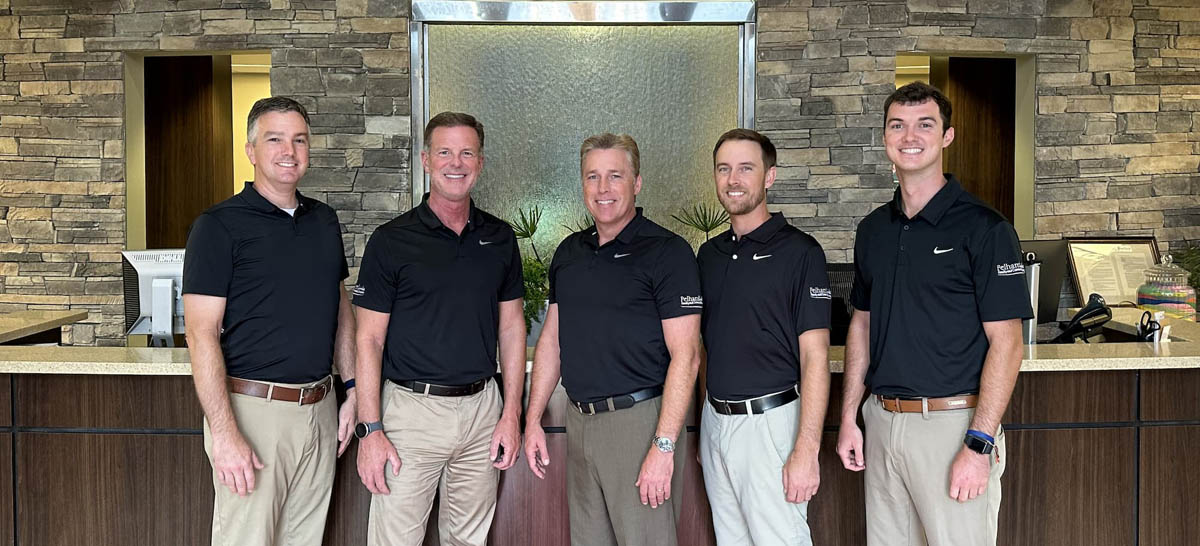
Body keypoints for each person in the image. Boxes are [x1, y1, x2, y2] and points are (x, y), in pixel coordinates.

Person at [835, 81, 1032, 546]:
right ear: (885, 137)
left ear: (947, 136)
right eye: (897, 125)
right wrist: (849, 418)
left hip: (952, 428)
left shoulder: (985, 228)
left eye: (925, 125)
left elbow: (1008, 343)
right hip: (882, 423)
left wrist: (979, 444)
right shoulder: (872, 231)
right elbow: (861, 325)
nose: (910, 136)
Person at [182, 96, 358, 546]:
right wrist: (224, 435)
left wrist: (352, 391)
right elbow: (200, 334)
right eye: (275, 139)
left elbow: (341, 313)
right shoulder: (218, 226)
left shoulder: (324, 221)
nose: (289, 151)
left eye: (299, 140)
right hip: (253, 415)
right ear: (251, 149)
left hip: (319, 410)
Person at [352, 112, 526, 546]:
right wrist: (370, 429)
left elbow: (512, 328)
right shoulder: (391, 241)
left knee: (468, 540)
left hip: (482, 410)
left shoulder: (500, 238)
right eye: (445, 152)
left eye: (467, 152)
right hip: (411, 414)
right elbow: (368, 339)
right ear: (427, 160)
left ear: (480, 163)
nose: (457, 162)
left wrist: (510, 413)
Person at [523, 133, 702, 546]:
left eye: (615, 176)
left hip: (638, 425)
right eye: (592, 177)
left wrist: (663, 445)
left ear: (636, 183)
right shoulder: (569, 253)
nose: (603, 189)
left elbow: (687, 357)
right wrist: (532, 420)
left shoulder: (667, 253)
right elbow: (552, 340)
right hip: (580, 422)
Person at [697, 128, 831, 545]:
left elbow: (815, 359)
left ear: (769, 177)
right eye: (724, 169)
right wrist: (708, 425)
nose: (733, 179)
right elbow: (706, 347)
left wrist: (806, 450)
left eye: (745, 168)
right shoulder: (709, 255)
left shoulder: (801, 252)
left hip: (771, 425)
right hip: (716, 422)